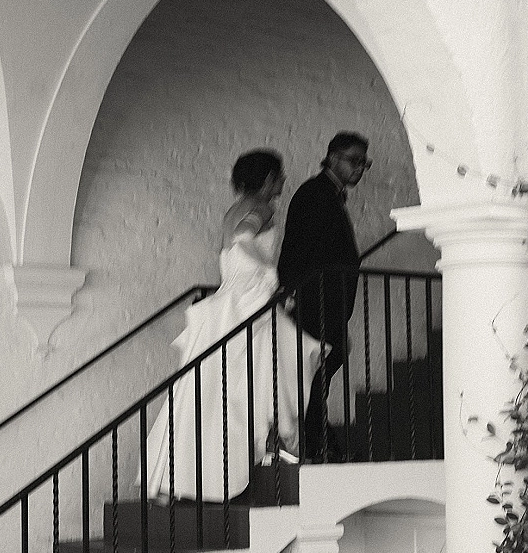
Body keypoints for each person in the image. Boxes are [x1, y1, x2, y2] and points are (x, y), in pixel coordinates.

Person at [139, 149, 323, 503]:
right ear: (268, 178)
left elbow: (232, 247)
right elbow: (243, 239)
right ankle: (279, 452)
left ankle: (174, 480)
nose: (283, 180)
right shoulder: (259, 207)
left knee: (209, 389)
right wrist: (268, 277)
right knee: (277, 369)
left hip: (230, 300)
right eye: (280, 175)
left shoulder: (233, 208)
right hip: (248, 299)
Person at [278, 132, 372, 463]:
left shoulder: (329, 194)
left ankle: (318, 440)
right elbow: (297, 249)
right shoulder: (314, 193)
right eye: (353, 160)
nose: (359, 168)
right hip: (316, 298)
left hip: (330, 300)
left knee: (324, 366)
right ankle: (317, 443)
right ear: (332, 158)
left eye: (364, 162)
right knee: (317, 369)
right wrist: (293, 293)